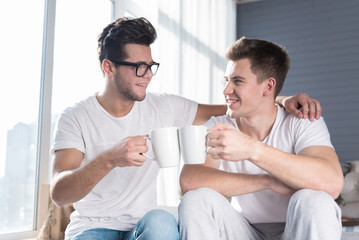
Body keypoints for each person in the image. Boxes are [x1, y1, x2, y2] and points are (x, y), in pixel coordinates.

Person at [49, 17, 322, 240]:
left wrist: (281, 99)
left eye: (150, 66)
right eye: (138, 68)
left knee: (163, 221)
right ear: (109, 67)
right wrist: (109, 159)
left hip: (143, 225)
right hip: (93, 228)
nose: (147, 76)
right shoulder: (75, 117)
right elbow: (60, 193)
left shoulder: (163, 106)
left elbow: (230, 107)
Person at [179, 37, 344, 240]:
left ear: (268, 87)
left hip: (296, 229)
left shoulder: (301, 120)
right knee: (197, 199)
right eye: (226, 80)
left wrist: (253, 150)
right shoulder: (217, 125)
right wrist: (267, 181)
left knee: (315, 200)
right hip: (244, 231)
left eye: (237, 81)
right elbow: (190, 181)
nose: (226, 90)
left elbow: (332, 182)